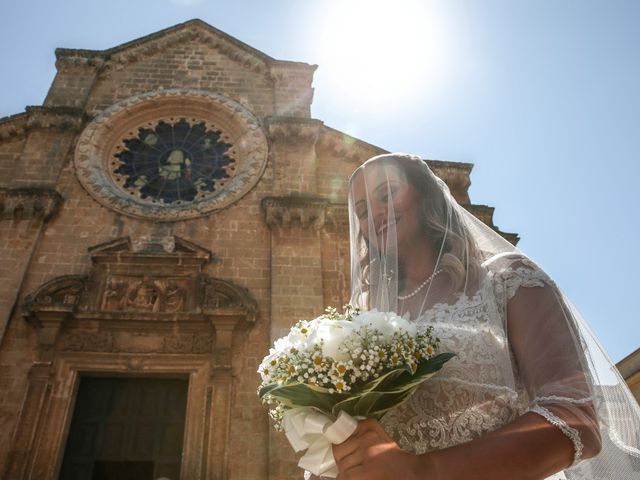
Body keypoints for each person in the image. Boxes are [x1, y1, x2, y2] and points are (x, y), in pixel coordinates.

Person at [327, 153, 640, 480]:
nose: (377, 212)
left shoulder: (507, 280)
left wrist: (422, 471)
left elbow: (576, 418)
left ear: (424, 194)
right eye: (362, 211)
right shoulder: (364, 322)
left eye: (387, 194)